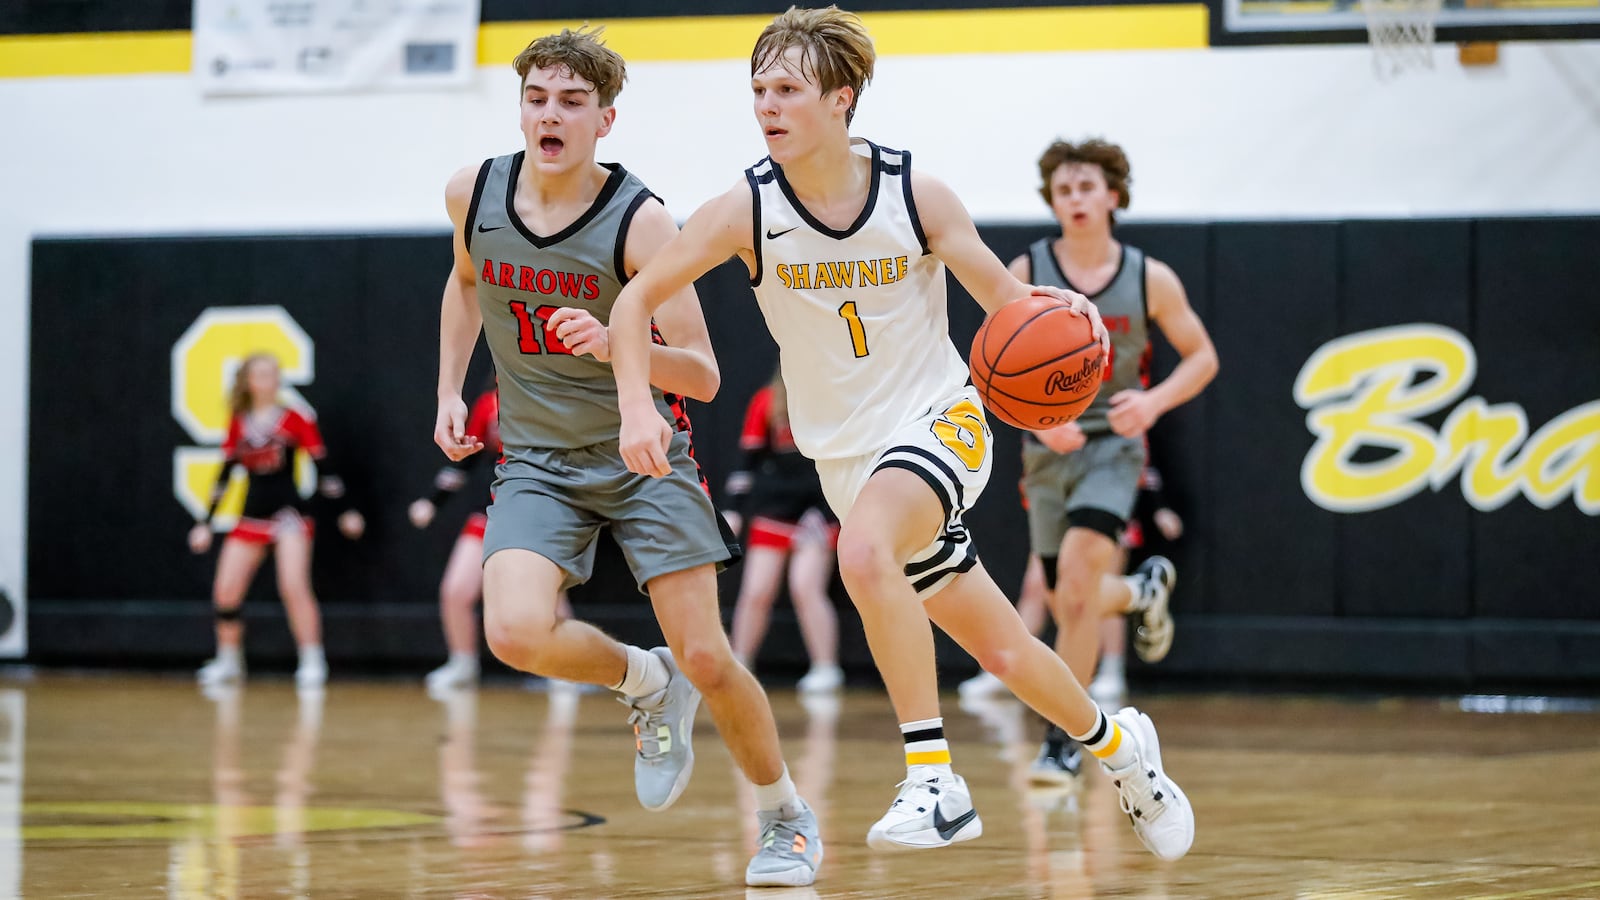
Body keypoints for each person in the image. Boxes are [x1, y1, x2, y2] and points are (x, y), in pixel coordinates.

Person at [609, 6, 1194, 861]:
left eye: (788, 90)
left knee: (864, 551)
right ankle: (1122, 749)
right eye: (758, 90)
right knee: (999, 645)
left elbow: (1008, 308)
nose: (766, 106)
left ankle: (934, 779)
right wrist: (634, 404)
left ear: (842, 98)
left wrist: (1062, 338)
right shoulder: (746, 208)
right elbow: (632, 303)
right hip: (846, 457)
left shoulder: (914, 193)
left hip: (940, 422)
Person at [430, 27, 821, 888]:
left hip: (643, 455)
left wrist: (615, 343)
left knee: (712, 659)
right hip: (536, 458)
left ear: (606, 119)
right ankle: (646, 680)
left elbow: (707, 374)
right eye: (536, 98)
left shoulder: (642, 222)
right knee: (514, 631)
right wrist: (451, 390)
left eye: (571, 101)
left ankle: (786, 816)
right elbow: (466, 282)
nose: (549, 115)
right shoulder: (474, 192)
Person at [1009, 138, 1218, 785]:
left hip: (1114, 448)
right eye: (1063, 189)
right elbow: (991, 371)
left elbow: (1203, 356)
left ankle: (1064, 741)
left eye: (1086, 187)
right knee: (1062, 595)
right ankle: (1140, 591)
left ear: (1113, 196)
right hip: (1049, 450)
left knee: (1072, 583)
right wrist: (1040, 419)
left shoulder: (1149, 276)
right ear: (1053, 200)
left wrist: (1152, 404)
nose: (1075, 198)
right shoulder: (1026, 270)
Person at [189, 353, 365, 689]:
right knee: (226, 591)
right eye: (262, 373)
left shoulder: (295, 419)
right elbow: (224, 476)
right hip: (251, 515)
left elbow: (323, 468)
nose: (270, 378)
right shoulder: (239, 422)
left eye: (274, 372)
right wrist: (205, 522)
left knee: (293, 586)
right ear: (249, 381)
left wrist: (345, 510)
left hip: (289, 516)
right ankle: (228, 660)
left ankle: (312, 658)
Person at [724, 367, 843, 693]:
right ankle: (740, 662)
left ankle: (825, 668)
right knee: (756, 591)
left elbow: (841, 462)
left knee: (806, 588)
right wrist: (733, 509)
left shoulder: (832, 399)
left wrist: (824, 512)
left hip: (818, 511)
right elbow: (745, 461)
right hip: (774, 508)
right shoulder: (766, 401)